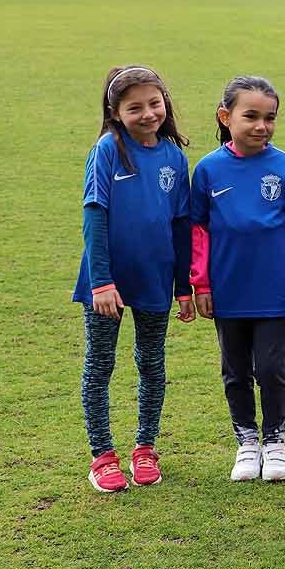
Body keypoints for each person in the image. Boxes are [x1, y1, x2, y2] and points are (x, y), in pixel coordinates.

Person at [190, 77, 285, 482]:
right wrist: (202, 284)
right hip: (227, 293)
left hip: (274, 291)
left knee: (270, 367)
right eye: (251, 116)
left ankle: (275, 441)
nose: (261, 125)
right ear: (225, 117)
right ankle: (246, 441)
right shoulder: (209, 170)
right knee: (235, 370)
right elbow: (198, 233)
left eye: (270, 118)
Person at [73, 66, 195, 493]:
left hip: (156, 280)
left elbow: (181, 226)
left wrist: (184, 286)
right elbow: (94, 215)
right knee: (100, 365)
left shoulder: (174, 157)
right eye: (134, 107)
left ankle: (145, 448)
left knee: (151, 364)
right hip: (108, 283)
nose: (147, 114)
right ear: (115, 112)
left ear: (166, 101)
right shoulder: (108, 149)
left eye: (154, 103)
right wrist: (101, 281)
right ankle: (102, 456)